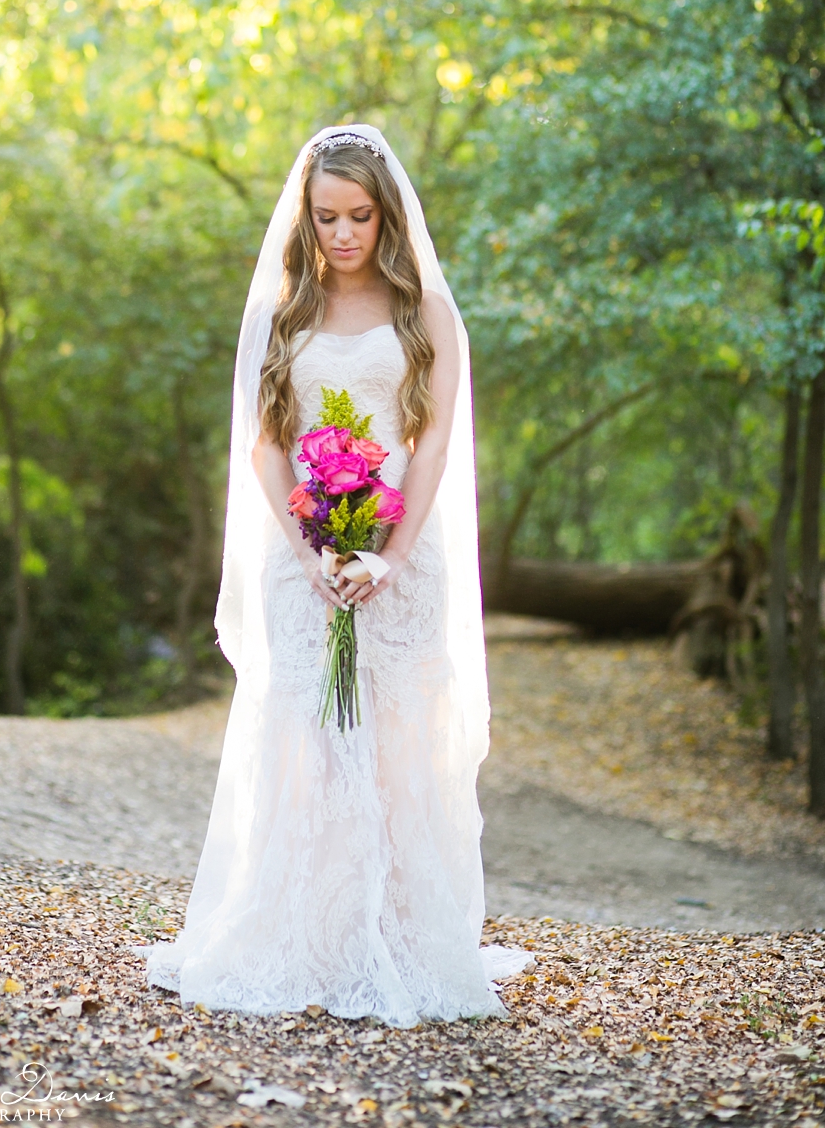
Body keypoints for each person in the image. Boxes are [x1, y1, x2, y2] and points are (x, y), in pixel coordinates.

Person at [135, 124, 532, 1028]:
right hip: (303, 558)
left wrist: (387, 552)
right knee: (302, 746)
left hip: (403, 556)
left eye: (359, 216)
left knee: (398, 748)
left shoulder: (425, 313)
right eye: (326, 217)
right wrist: (313, 547)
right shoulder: (286, 312)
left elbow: (430, 448)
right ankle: (302, 937)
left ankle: (396, 938)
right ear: (306, 218)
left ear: (386, 216)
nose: (343, 234)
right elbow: (268, 446)